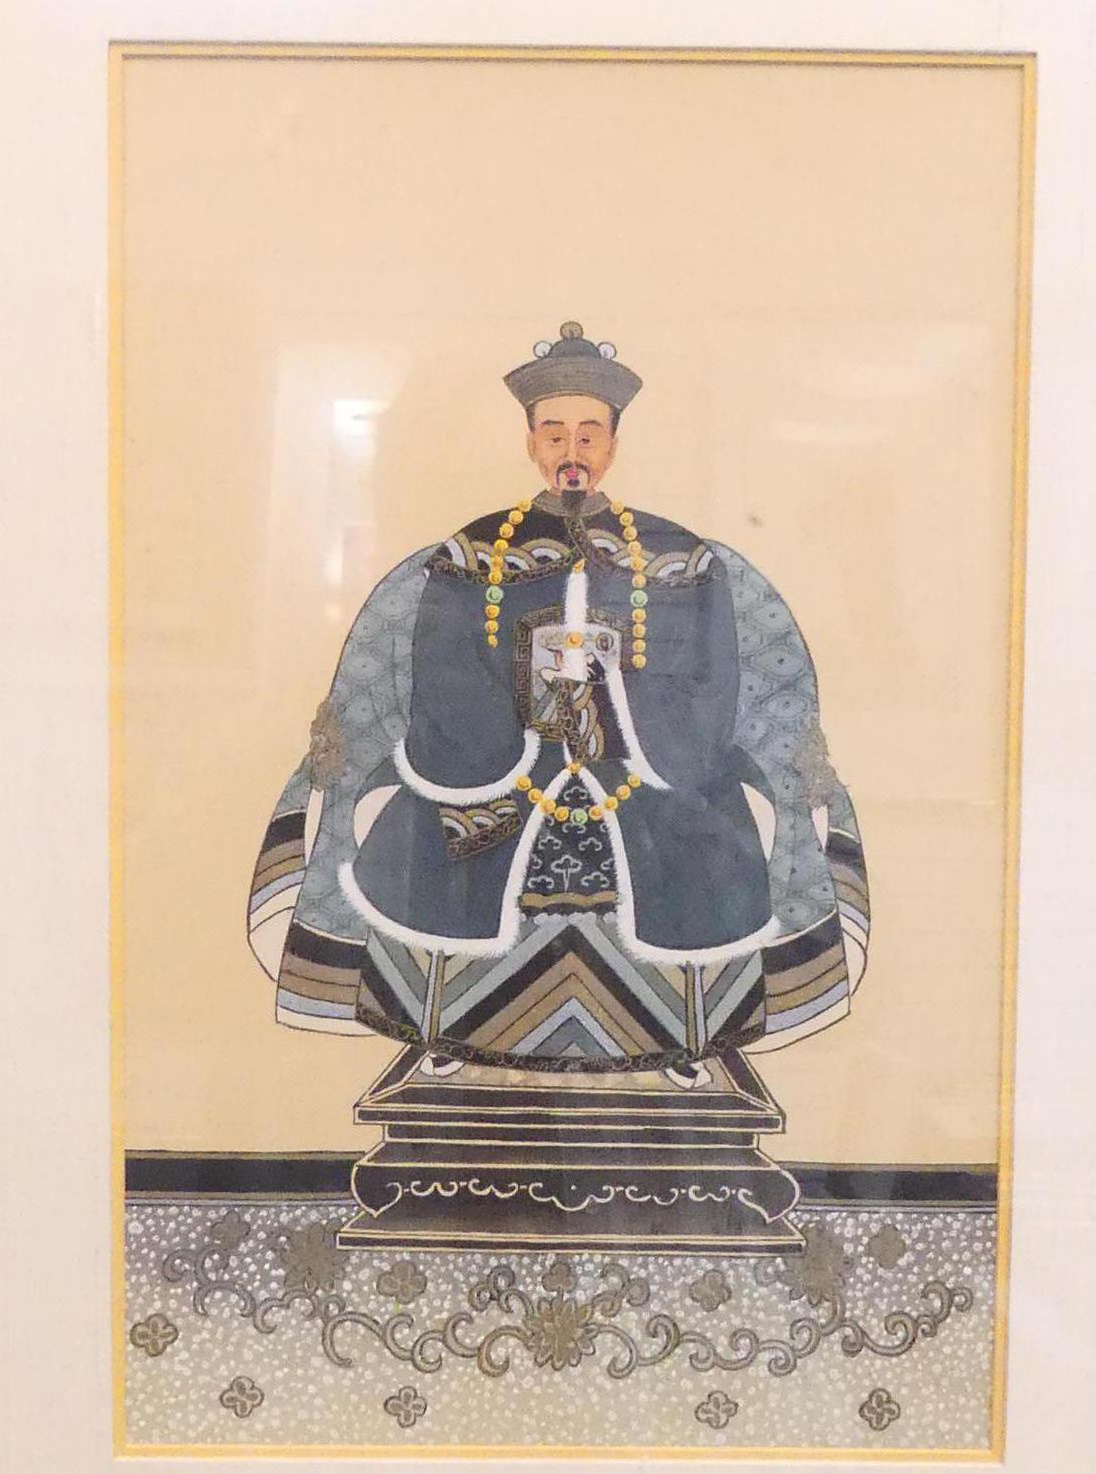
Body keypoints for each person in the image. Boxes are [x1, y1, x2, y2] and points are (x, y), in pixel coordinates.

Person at [248, 323, 869, 1088]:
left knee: (700, 854)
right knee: (440, 854)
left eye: (587, 433)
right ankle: (449, 1031)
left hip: (647, 772)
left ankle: (682, 1040)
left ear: (612, 442)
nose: (570, 450)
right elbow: (440, 673)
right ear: (530, 442)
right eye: (553, 434)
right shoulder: (473, 553)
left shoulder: (678, 558)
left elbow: (712, 683)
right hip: (496, 773)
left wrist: (617, 701)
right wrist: (520, 711)